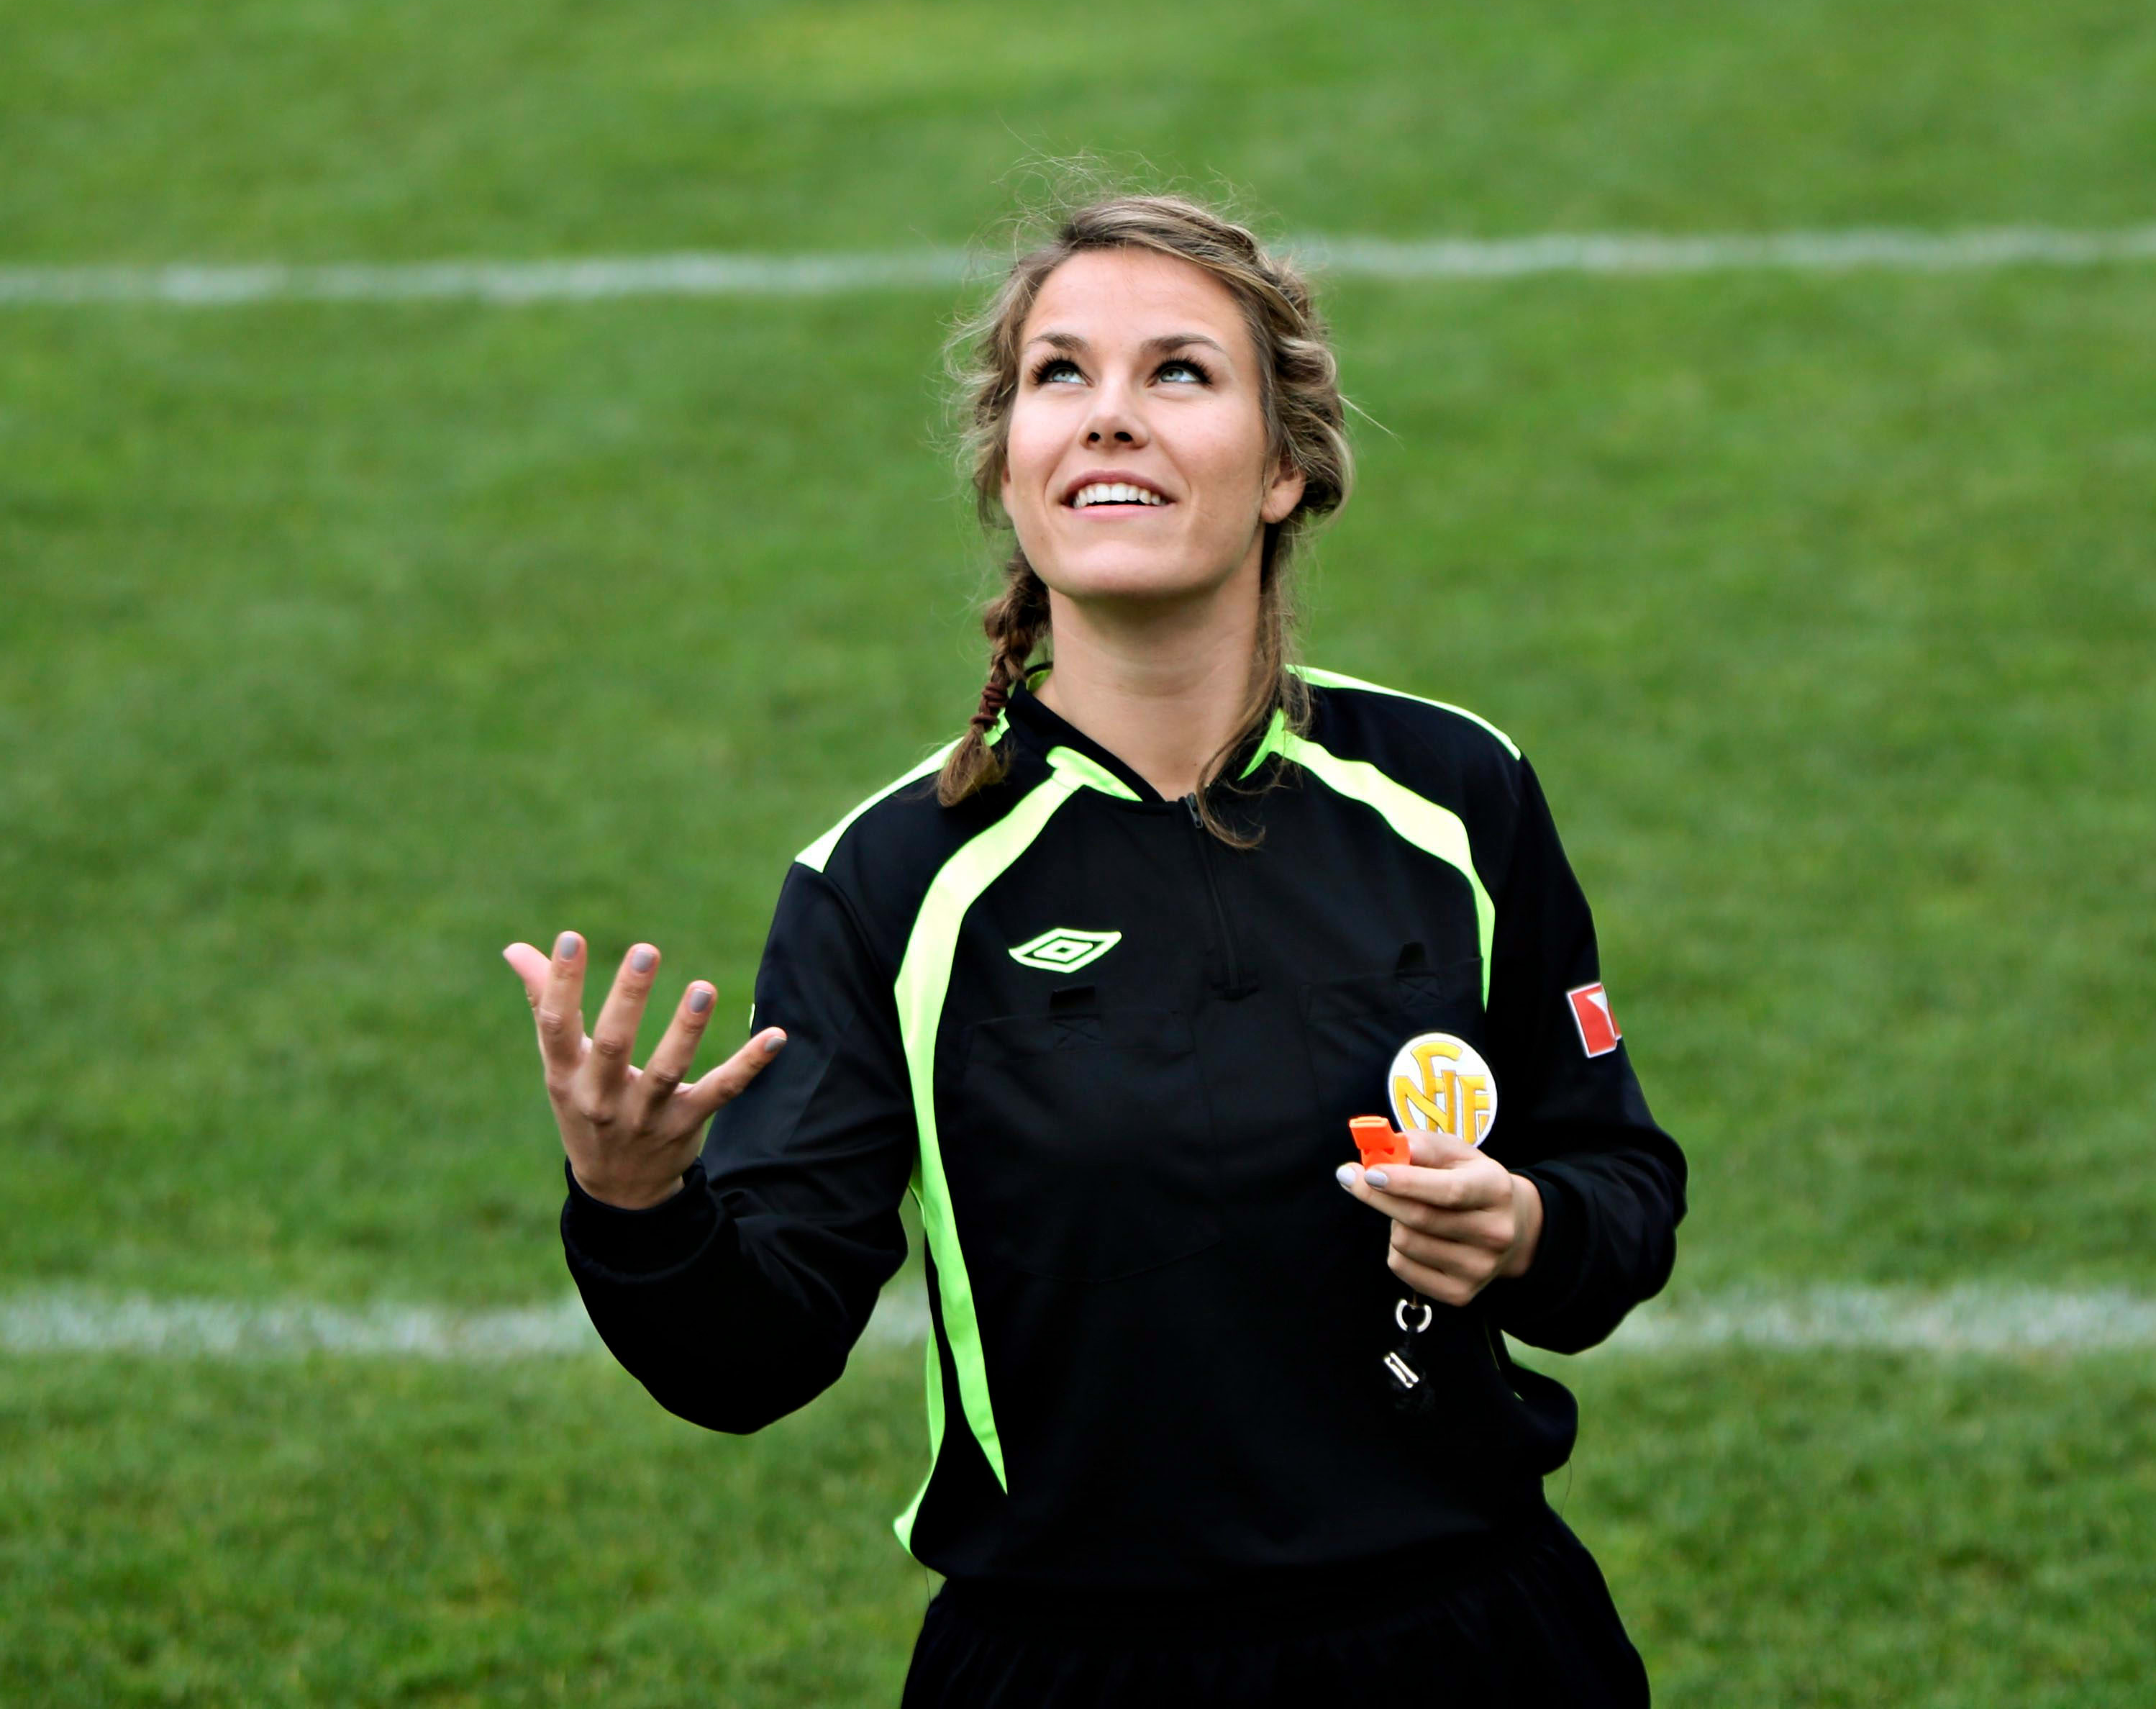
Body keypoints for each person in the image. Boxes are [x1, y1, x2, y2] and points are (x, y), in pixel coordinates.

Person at [504, 191, 1686, 1707]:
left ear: (1283, 467)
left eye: (1178, 371)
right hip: (1067, 1669)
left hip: (1473, 1645)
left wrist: (1523, 1226)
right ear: (1011, 467)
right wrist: (635, 1205)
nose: (1108, 414)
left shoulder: (1454, 795)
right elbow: (753, 1356)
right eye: (1059, 374)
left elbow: (1618, 1189)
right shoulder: (889, 884)